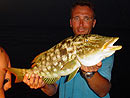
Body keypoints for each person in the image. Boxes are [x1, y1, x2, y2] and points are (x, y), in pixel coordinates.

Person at [23, 0, 114, 98]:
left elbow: (103, 91)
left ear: (93, 23)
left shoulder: (101, 52)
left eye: (87, 18)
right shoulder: (62, 49)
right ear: (71, 22)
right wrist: (42, 84)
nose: (81, 24)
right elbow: (52, 90)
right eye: (76, 18)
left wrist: (90, 73)